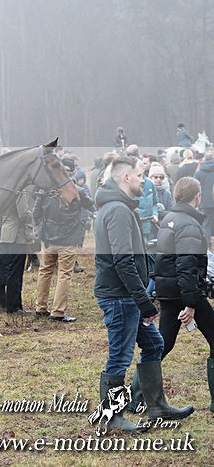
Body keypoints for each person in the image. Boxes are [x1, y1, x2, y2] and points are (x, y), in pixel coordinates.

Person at [93, 156, 193, 432]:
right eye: (139, 175)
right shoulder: (117, 210)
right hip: (120, 297)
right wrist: (144, 301)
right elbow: (122, 261)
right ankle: (111, 417)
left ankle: (157, 406)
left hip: (126, 295)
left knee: (154, 344)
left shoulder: (119, 207)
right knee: (120, 356)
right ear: (126, 177)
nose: (144, 180)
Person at [152, 177, 214, 412]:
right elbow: (186, 266)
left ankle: (137, 394)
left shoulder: (169, 218)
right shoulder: (189, 224)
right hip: (185, 292)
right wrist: (190, 303)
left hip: (169, 291)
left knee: (163, 344)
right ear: (197, 196)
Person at [33, 159, 94, 322]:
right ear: (73, 172)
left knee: (45, 271)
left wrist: (42, 231)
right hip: (68, 239)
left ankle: (40, 308)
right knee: (64, 274)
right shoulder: (77, 190)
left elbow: (36, 212)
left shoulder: (45, 190)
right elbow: (90, 204)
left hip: (49, 239)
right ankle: (58, 311)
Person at [0, 191, 35, 314]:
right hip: (16, 235)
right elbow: (23, 214)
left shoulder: (1, 190)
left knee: (5, 269)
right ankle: (14, 307)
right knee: (15, 273)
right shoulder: (18, 191)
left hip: (2, 233)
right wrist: (31, 219)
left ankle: (4, 304)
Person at [193, 152, 214, 247]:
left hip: (205, 202)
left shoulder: (199, 171)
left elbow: (195, 186)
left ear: (204, 159)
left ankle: (207, 246)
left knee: (206, 224)